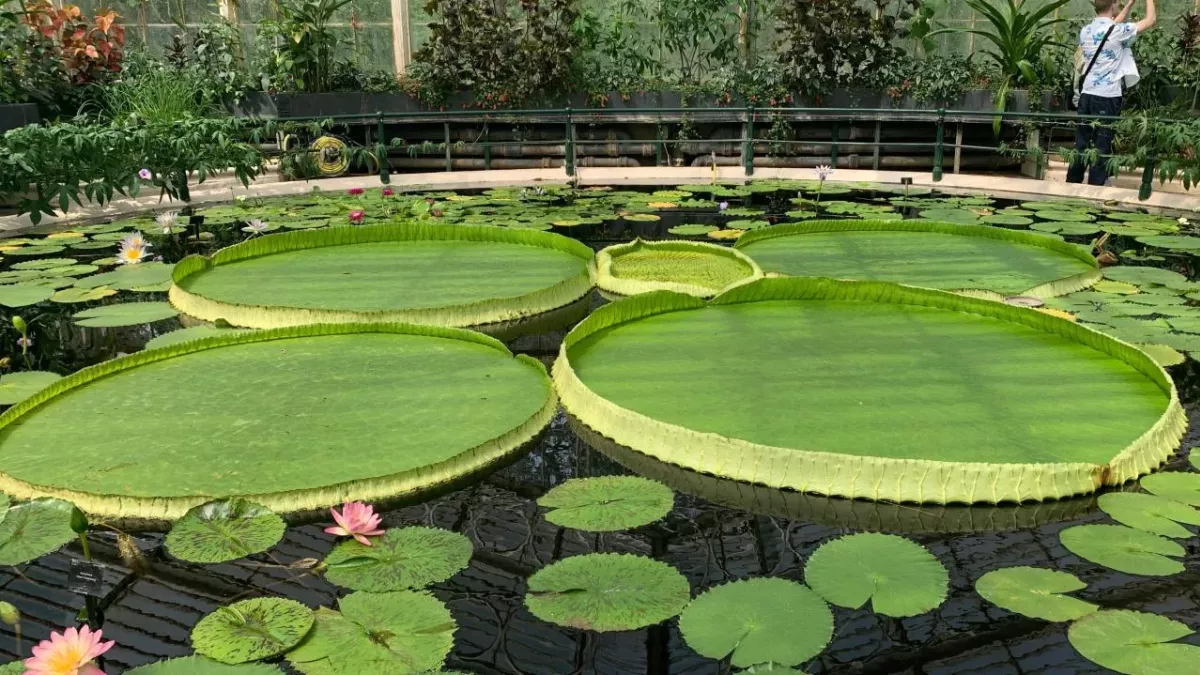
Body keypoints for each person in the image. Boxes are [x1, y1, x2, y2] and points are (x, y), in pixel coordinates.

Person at [1067, 0, 1157, 186]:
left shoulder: (1086, 31)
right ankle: (1097, 185)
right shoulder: (1118, 31)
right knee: (1102, 143)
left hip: (1087, 94)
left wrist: (1129, 5)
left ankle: (1072, 182)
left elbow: (1110, 26)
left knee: (1082, 141)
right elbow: (1150, 20)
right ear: (1113, 5)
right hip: (1107, 97)